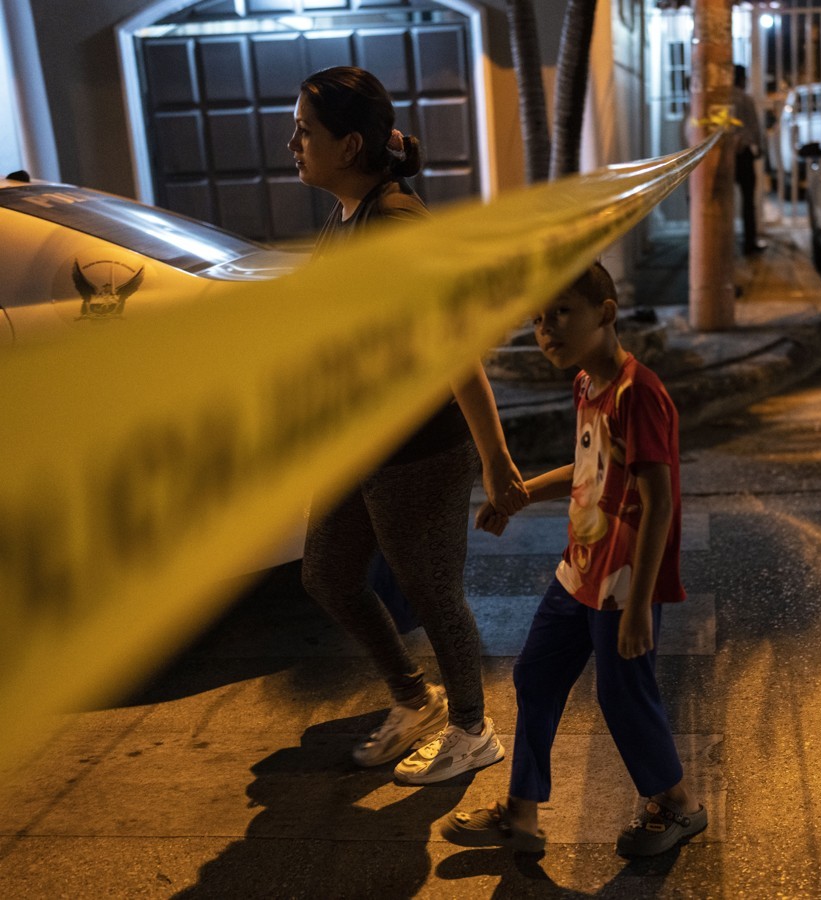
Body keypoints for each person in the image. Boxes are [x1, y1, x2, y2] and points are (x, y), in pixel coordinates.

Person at [290, 66, 528, 783]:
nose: (293, 142)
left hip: (417, 450)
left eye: (305, 130)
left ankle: (471, 728)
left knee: (432, 590)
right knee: (327, 575)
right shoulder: (347, 213)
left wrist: (496, 458)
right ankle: (412, 698)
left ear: (350, 143)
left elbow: (457, 348)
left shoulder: (396, 223)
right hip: (357, 443)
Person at [438, 262, 707, 857]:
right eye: (536, 320)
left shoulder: (640, 395)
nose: (546, 330)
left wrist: (640, 605)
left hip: (623, 577)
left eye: (561, 313)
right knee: (535, 674)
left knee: (622, 694)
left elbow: (660, 503)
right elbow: (589, 471)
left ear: (606, 313)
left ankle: (679, 804)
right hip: (579, 566)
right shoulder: (587, 384)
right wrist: (520, 495)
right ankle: (521, 814)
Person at [732, 64, 766, 255]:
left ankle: (724, 244)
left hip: (723, 156)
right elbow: (754, 128)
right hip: (743, 155)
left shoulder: (723, 99)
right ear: (742, 79)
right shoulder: (745, 99)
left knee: (722, 202)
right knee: (748, 201)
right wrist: (759, 149)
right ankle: (749, 242)